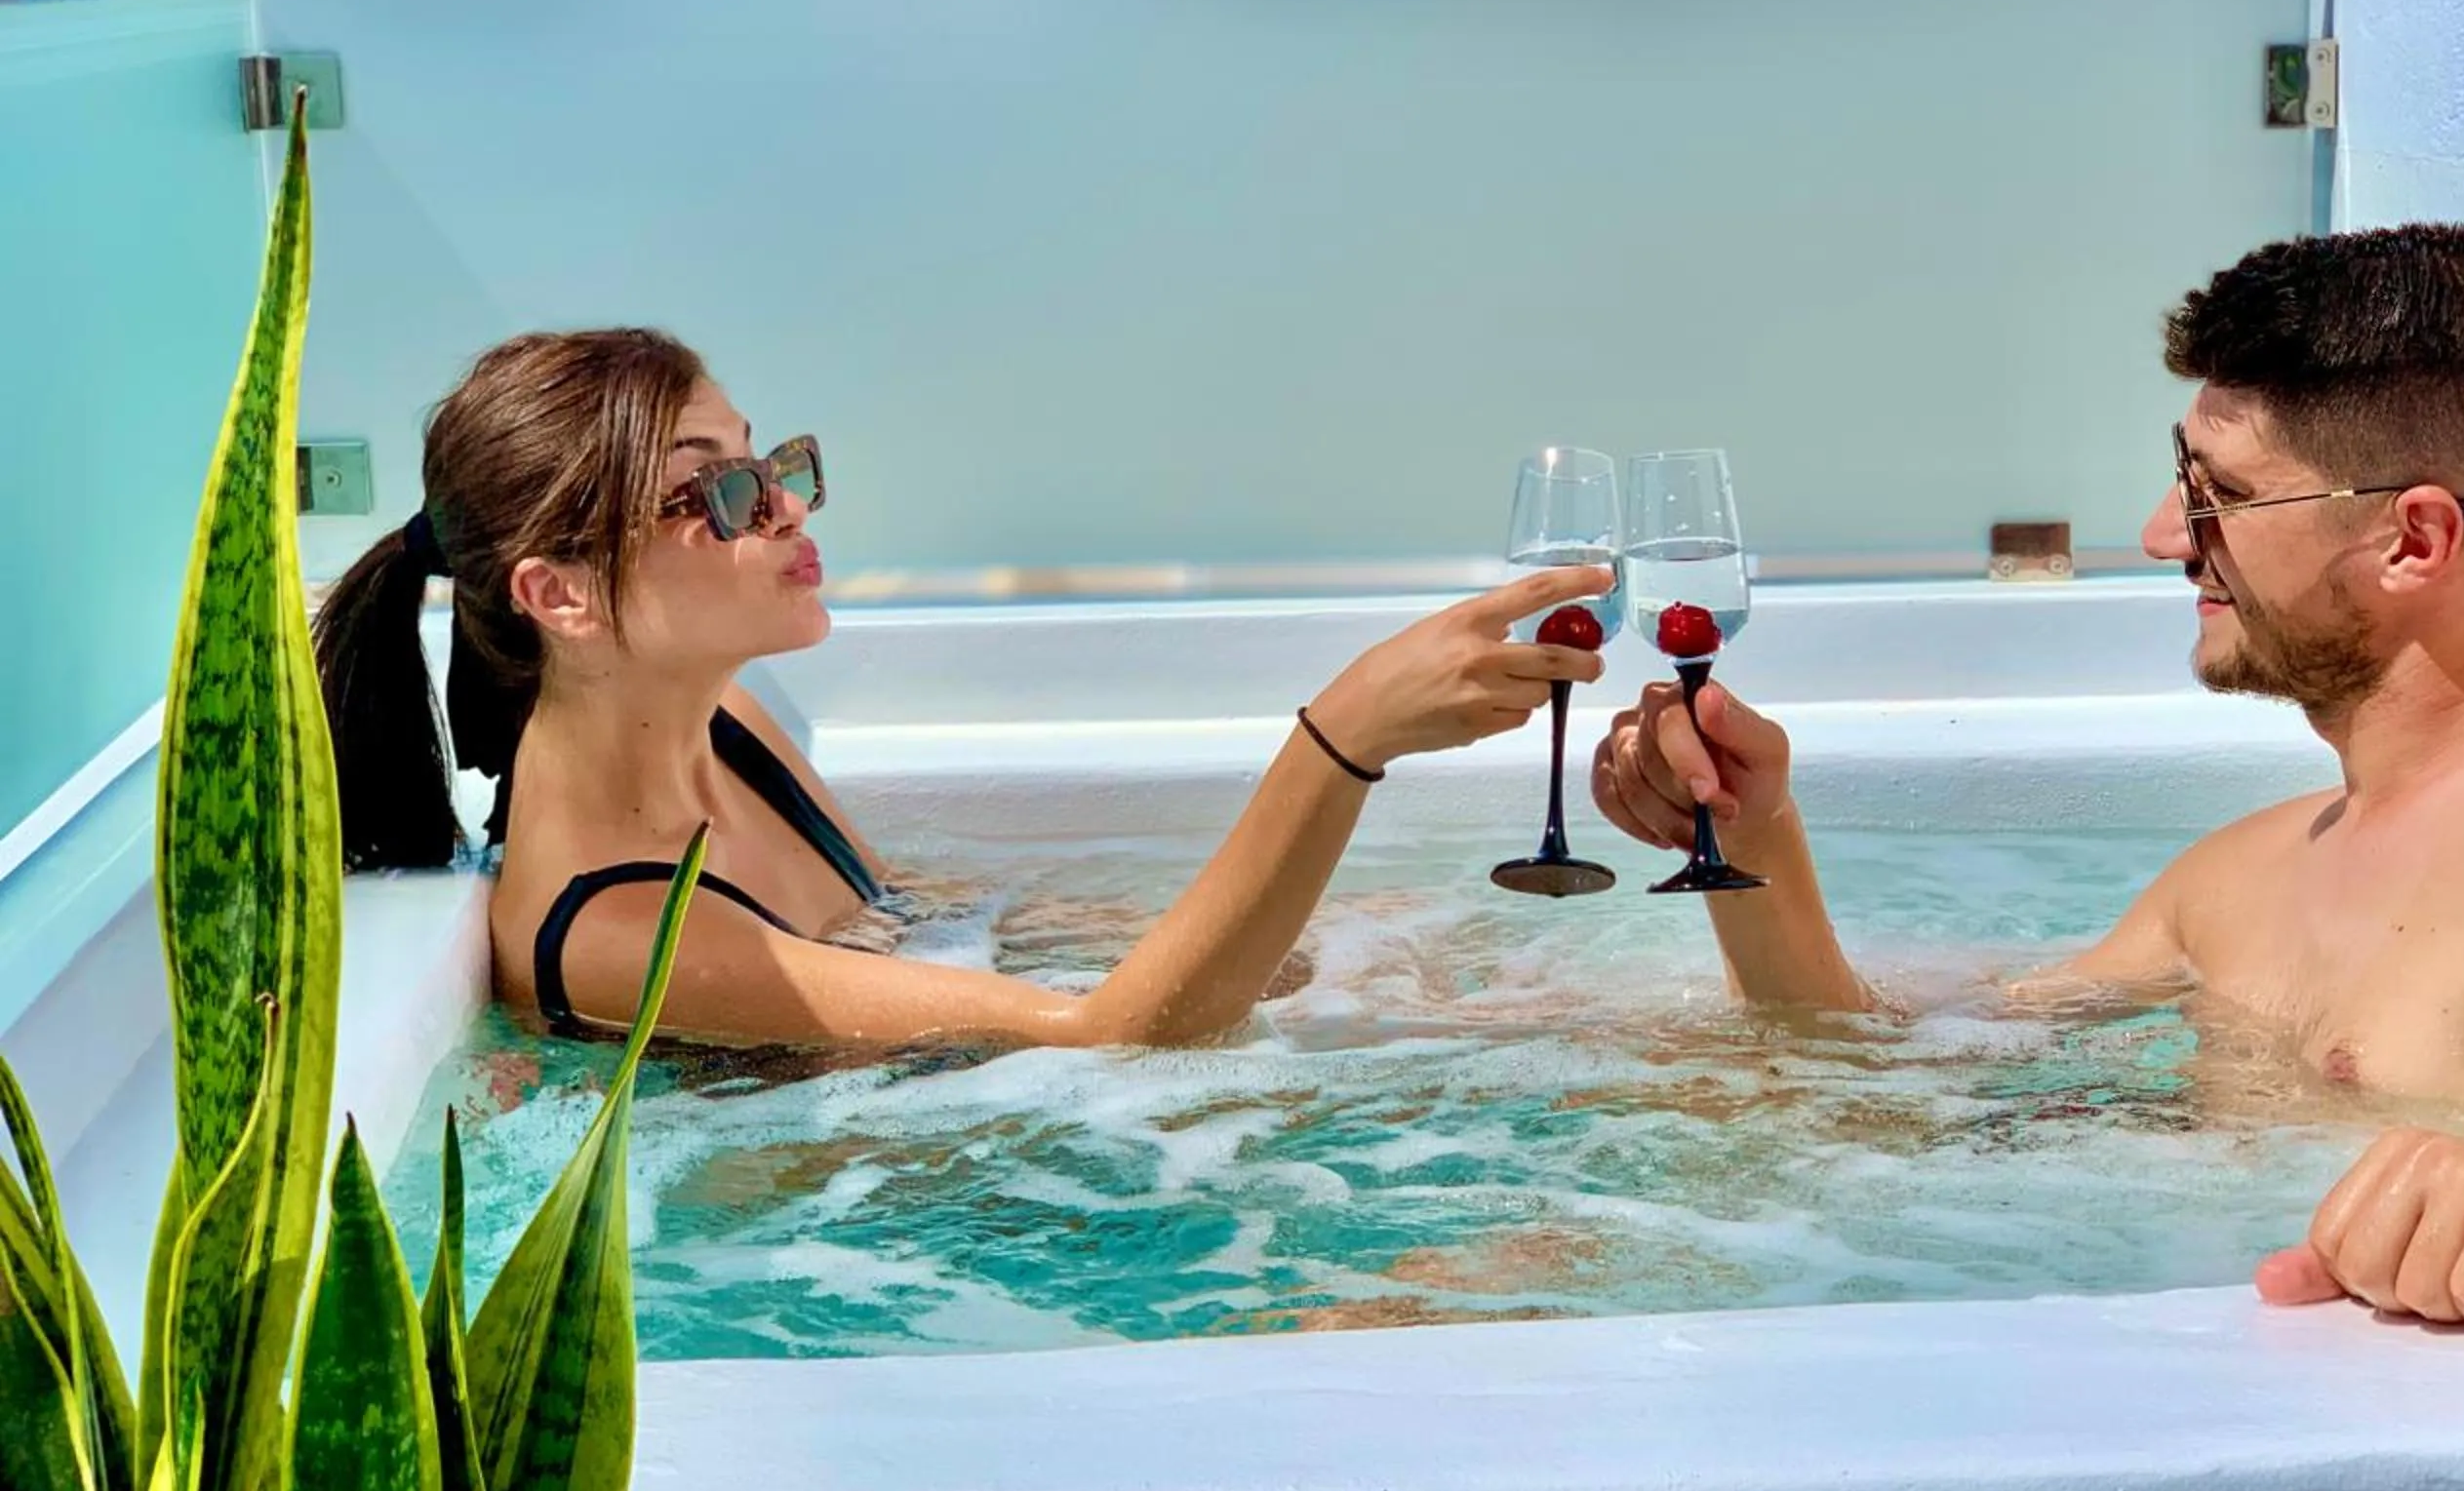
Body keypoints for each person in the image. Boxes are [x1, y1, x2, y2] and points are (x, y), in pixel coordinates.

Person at [1589, 225, 2464, 1327]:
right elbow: (1872, 1083)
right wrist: (1751, 832)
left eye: (2217, 492)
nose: (2166, 533)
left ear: (2413, 538)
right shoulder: (2236, 877)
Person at [315, 329, 1607, 1045]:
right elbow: (1112, 1039)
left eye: (772, 463)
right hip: (927, 1220)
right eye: (716, 489)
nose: (782, 506)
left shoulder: (730, 727)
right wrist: (1342, 742)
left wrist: (1365, 953)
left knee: (1526, 1001)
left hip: (970, 1137)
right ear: (562, 596)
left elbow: (942, 935)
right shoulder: (612, 932)